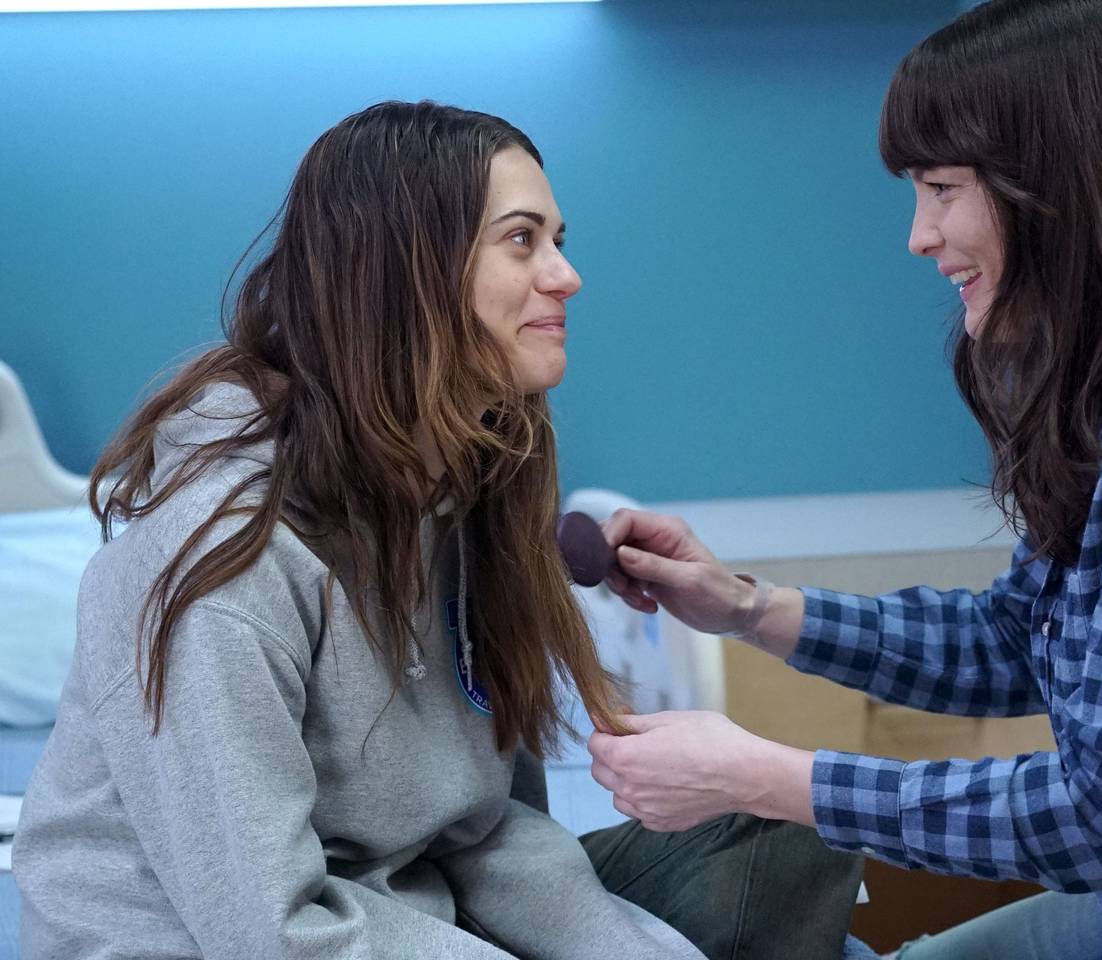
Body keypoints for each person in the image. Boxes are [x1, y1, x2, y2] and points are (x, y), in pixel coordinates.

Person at [585, 2, 1102, 959]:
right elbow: (1014, 639)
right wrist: (747, 608)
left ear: (1062, 183)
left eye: (942, 188)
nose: (919, 235)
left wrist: (757, 778)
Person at [12, 100, 861, 960]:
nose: (567, 276)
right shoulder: (222, 567)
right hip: (222, 945)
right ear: (403, 272)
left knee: (796, 824)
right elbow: (276, 935)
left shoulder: (464, 497)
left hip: (416, 917)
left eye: (559, 240)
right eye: (522, 239)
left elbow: (487, 831)